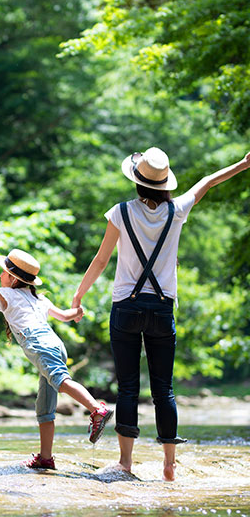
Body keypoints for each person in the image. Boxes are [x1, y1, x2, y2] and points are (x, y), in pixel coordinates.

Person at [71, 147, 250, 481]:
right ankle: (169, 464)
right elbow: (207, 182)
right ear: (166, 184)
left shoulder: (121, 212)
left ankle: (125, 463)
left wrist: (78, 297)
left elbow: (100, 260)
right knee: (163, 390)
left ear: (137, 181)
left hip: (126, 305)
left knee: (127, 388)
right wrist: (243, 164)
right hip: (162, 308)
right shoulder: (176, 210)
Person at [0, 248, 114, 470]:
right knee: (45, 407)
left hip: (39, 345)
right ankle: (45, 457)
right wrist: (77, 312)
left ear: (13, 279)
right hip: (54, 343)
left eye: (3, 273)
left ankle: (96, 409)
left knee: (61, 380)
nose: (0, 276)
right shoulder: (39, 298)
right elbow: (64, 315)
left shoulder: (8, 294)